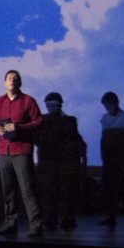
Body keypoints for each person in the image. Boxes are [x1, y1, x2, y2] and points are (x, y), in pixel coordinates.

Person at [0, 70, 44, 237]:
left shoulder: (28, 101)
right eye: (10, 78)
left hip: (21, 151)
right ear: (5, 83)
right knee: (8, 190)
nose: (12, 81)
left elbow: (39, 122)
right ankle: (10, 223)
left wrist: (19, 128)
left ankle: (36, 226)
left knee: (28, 189)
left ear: (20, 83)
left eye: (16, 79)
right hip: (3, 151)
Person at [34, 92, 86, 231]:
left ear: (59, 105)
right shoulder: (42, 120)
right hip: (47, 163)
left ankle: (66, 218)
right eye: (48, 105)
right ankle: (52, 218)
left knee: (64, 192)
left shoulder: (68, 120)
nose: (50, 107)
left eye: (53, 105)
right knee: (49, 192)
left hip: (62, 163)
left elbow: (74, 139)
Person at [98, 91, 124, 227]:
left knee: (119, 185)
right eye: (105, 106)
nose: (107, 109)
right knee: (107, 186)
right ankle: (110, 216)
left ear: (115, 104)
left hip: (119, 156)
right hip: (107, 156)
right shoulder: (105, 118)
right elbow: (103, 137)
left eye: (109, 106)